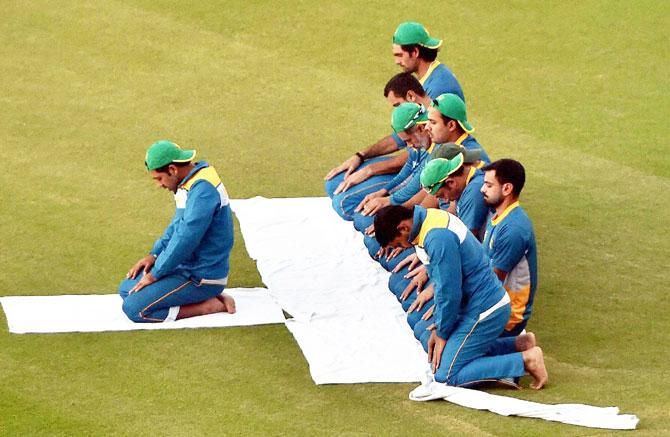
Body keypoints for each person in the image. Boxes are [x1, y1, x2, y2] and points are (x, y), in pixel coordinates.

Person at [374, 204, 548, 389]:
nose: (404, 246)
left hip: (485, 309)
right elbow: (444, 286)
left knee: (446, 375)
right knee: (430, 342)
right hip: (476, 305)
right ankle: (517, 344)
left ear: (402, 228)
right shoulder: (430, 219)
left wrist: (442, 332)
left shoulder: (436, 237)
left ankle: (526, 360)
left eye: (399, 243)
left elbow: (449, 292)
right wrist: (441, 324)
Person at [118, 140, 236, 322]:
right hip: (185, 268)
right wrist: (154, 255)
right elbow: (176, 226)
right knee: (127, 288)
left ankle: (208, 305)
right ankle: (196, 298)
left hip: (202, 277)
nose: (159, 185)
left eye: (159, 178)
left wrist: (155, 274)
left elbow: (185, 239)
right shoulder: (189, 181)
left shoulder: (203, 190)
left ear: (172, 170)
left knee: (134, 309)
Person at [325, 73, 431, 211]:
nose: (397, 110)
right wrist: (360, 156)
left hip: (417, 181)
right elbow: (404, 150)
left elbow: (415, 171)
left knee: (346, 205)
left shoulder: (430, 130)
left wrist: (391, 201)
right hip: (410, 175)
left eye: (397, 105)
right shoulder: (410, 121)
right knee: (333, 184)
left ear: (411, 96)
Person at [481, 159, 538, 337]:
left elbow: (492, 283)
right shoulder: (499, 216)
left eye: (489, 185)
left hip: (507, 318)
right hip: (497, 306)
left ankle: (523, 352)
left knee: (452, 355)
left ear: (507, 189)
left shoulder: (513, 229)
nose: (482, 189)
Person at [421, 154, 490, 239]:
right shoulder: (465, 185)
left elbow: (465, 239)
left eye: (442, 196)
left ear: (451, 183)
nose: (446, 201)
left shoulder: (474, 191)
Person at [391, 21, 464, 101]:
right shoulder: (434, 73)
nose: (397, 61)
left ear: (415, 52)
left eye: (400, 55)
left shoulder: (436, 90)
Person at [426, 93, 490, 164]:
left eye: (433, 122)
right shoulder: (442, 145)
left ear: (451, 125)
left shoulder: (472, 159)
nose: (426, 127)